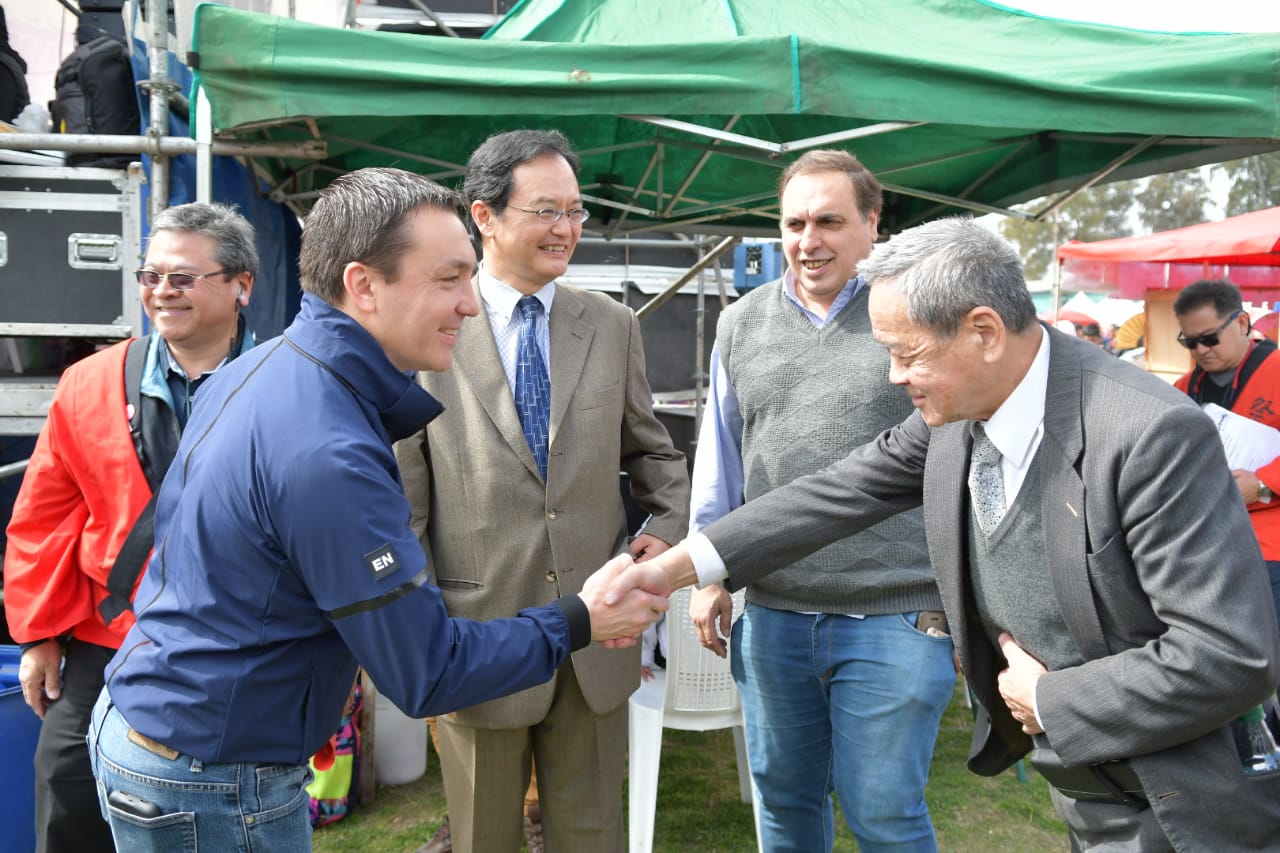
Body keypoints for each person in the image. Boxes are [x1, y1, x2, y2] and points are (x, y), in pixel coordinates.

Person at [604, 217, 1280, 851]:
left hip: (1183, 807)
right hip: (1088, 789)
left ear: (984, 332)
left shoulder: (1149, 432)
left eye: (906, 353)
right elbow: (830, 494)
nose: (895, 376)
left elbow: (1232, 652)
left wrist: (1049, 698)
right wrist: (670, 571)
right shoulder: (956, 417)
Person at [86, 167, 666, 852]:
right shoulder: (329, 447)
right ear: (363, 285)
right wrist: (584, 617)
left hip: (164, 729)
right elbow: (426, 671)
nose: (471, 304)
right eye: (449, 279)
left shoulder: (260, 369)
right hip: (213, 769)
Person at [394, 128, 690, 853]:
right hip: (476, 639)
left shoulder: (612, 324)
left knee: (591, 837)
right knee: (482, 837)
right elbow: (403, 498)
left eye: (577, 210)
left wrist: (668, 526)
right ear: (485, 216)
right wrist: (422, 619)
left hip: (598, 640)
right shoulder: (428, 328)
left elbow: (656, 457)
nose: (567, 228)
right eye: (546, 210)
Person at [688, 149, 953, 851]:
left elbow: (958, 454)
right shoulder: (739, 324)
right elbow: (720, 458)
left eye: (830, 221)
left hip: (895, 611)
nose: (810, 241)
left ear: (873, 223)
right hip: (774, 615)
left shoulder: (917, 315)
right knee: (784, 805)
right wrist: (709, 573)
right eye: (795, 222)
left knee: (885, 815)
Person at [3, 201, 257, 853]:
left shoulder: (286, 383)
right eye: (151, 276)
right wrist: (37, 636)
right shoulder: (88, 383)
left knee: (226, 809)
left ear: (241, 284)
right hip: (108, 635)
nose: (161, 291)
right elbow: (42, 517)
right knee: (67, 788)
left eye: (182, 278)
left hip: (240, 642)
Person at [1173, 279, 1280, 626]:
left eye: (1209, 338)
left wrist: (1263, 485)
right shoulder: (1183, 388)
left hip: (1269, 548)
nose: (1201, 350)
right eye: (1190, 342)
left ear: (1242, 323)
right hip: (1203, 545)